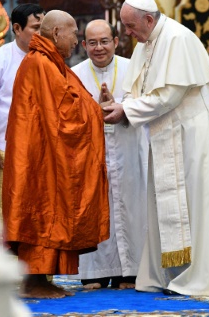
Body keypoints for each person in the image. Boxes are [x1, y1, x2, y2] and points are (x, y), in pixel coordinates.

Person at [102, 0, 209, 296]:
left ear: (148, 20)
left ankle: (199, 279)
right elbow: (136, 90)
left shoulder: (178, 38)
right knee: (160, 202)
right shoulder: (147, 43)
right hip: (166, 131)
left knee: (196, 203)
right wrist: (121, 105)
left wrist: (126, 110)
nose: (127, 33)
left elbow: (170, 96)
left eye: (130, 25)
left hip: (195, 131)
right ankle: (161, 274)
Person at [2, 10, 109, 299]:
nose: (76, 40)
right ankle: (34, 282)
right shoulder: (41, 64)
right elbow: (65, 116)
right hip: (40, 158)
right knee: (41, 213)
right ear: (57, 33)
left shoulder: (49, 62)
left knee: (48, 213)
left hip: (44, 154)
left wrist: (92, 107)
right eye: (74, 33)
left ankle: (41, 279)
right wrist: (95, 112)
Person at [71, 19, 148, 290]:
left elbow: (146, 105)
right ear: (84, 45)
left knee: (131, 206)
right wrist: (95, 111)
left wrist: (122, 109)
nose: (99, 48)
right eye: (92, 42)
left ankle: (131, 270)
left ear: (116, 41)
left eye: (104, 41)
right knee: (95, 208)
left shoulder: (133, 69)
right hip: (91, 153)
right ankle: (95, 271)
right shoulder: (74, 73)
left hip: (128, 148)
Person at [0, 3, 45, 219]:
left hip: (42, 149)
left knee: (37, 210)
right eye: (36, 27)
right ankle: (5, 253)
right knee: (7, 210)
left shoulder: (48, 59)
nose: (41, 33)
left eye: (44, 27)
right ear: (17, 28)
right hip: (6, 149)